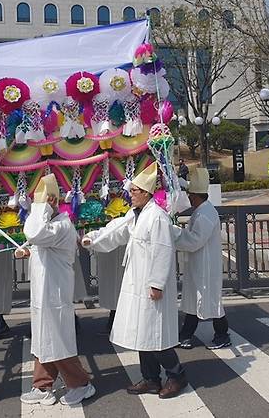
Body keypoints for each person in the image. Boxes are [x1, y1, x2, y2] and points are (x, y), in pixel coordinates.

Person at [82, 162, 187, 399]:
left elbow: (162, 250)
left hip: (151, 285)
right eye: (131, 190)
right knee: (143, 333)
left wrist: (157, 284)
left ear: (147, 193)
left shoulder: (157, 217)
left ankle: (176, 375)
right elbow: (114, 231)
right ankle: (151, 378)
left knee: (156, 334)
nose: (131, 194)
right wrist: (93, 239)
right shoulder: (134, 214)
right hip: (137, 282)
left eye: (135, 191)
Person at [16, 174, 95, 407]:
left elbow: (34, 234)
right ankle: (43, 386)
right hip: (44, 292)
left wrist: (41, 207)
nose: (36, 208)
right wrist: (28, 252)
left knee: (56, 340)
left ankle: (81, 384)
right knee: (43, 338)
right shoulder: (51, 226)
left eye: (39, 203)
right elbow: (39, 244)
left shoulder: (61, 225)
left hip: (54, 293)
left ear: (50, 203)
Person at [174, 168, 230, 350]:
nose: (189, 198)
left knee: (210, 303)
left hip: (206, 266)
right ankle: (186, 335)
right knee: (193, 301)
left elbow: (194, 240)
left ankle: (222, 335)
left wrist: (174, 234)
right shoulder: (202, 210)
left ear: (195, 196)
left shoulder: (205, 213)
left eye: (190, 195)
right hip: (199, 264)